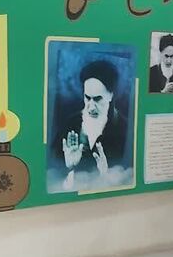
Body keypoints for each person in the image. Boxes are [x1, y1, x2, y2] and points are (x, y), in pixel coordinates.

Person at [54, 60, 128, 190]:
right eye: (87, 98)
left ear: (111, 96)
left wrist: (106, 175)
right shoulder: (70, 125)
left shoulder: (125, 129)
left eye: (98, 99)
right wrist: (70, 167)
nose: (91, 107)